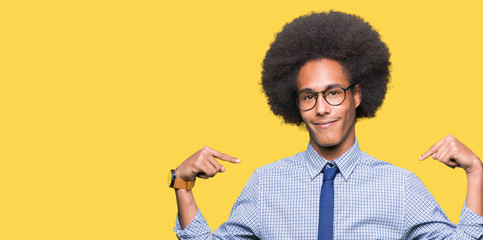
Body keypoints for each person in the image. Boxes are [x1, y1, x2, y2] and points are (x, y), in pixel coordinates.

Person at [169, 11, 483, 239]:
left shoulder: (399, 188)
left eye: (333, 93)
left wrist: (476, 173)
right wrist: (182, 186)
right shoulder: (266, 185)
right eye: (308, 96)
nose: (321, 109)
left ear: (357, 95)